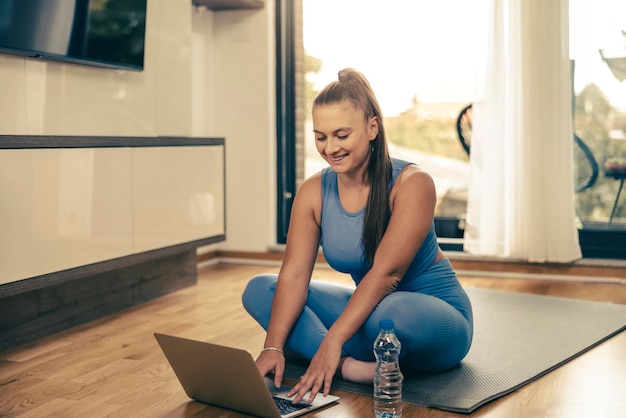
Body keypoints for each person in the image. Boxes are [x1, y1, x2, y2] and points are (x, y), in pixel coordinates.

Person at [241, 68, 473, 405]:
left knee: (390, 314)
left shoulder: (412, 183)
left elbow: (386, 276)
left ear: (372, 128)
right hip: (369, 311)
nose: (330, 147)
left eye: (341, 135)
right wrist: (273, 346)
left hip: (432, 320)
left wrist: (331, 341)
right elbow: (293, 275)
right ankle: (352, 368)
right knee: (261, 289)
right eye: (320, 137)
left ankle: (329, 348)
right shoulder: (314, 192)